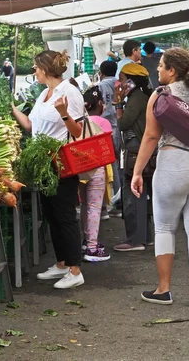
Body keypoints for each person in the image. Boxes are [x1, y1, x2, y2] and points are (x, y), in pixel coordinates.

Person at [131, 48, 189, 307]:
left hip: (174, 165)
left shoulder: (161, 96)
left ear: (172, 70)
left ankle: (164, 289)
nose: (157, 69)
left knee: (165, 228)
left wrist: (137, 171)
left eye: (160, 65)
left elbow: (150, 137)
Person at [10, 50, 86, 289]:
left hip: (60, 161)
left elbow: (77, 132)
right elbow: (31, 125)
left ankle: (76, 270)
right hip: (42, 164)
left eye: (35, 67)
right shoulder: (44, 93)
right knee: (51, 215)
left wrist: (64, 114)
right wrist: (11, 108)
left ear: (45, 69)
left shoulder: (70, 92)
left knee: (65, 216)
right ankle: (62, 263)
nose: (34, 72)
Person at [113, 63, 155, 252]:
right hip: (140, 150)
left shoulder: (136, 98)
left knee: (132, 195)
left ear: (132, 80)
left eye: (122, 79)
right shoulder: (142, 95)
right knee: (141, 195)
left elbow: (123, 123)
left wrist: (118, 103)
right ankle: (145, 237)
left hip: (135, 151)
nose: (119, 83)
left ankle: (135, 240)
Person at [79, 86, 112, 262]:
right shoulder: (104, 123)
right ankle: (92, 248)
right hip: (98, 168)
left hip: (82, 168)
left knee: (85, 205)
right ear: (100, 104)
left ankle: (86, 241)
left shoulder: (80, 122)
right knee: (94, 207)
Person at [97, 60, 122, 217]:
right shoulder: (119, 82)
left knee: (107, 167)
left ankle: (108, 205)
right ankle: (119, 201)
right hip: (117, 126)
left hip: (106, 128)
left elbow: (104, 107)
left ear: (101, 71)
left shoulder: (102, 85)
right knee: (117, 165)